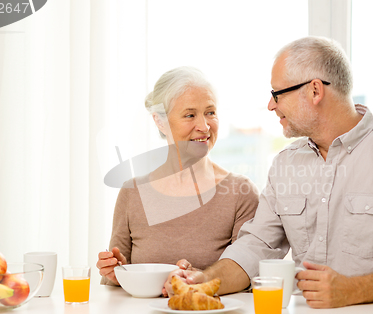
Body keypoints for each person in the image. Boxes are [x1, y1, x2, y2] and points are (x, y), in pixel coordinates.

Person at [165, 37, 373, 308]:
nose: (270, 105)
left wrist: (355, 290)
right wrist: (206, 281)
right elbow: (257, 246)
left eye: (277, 93)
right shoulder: (285, 164)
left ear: (315, 90)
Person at [97, 67, 259, 288]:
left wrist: (197, 279)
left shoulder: (241, 192)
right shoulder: (132, 192)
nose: (204, 126)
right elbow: (113, 282)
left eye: (210, 112)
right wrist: (117, 274)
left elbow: (248, 276)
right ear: (160, 122)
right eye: (190, 115)